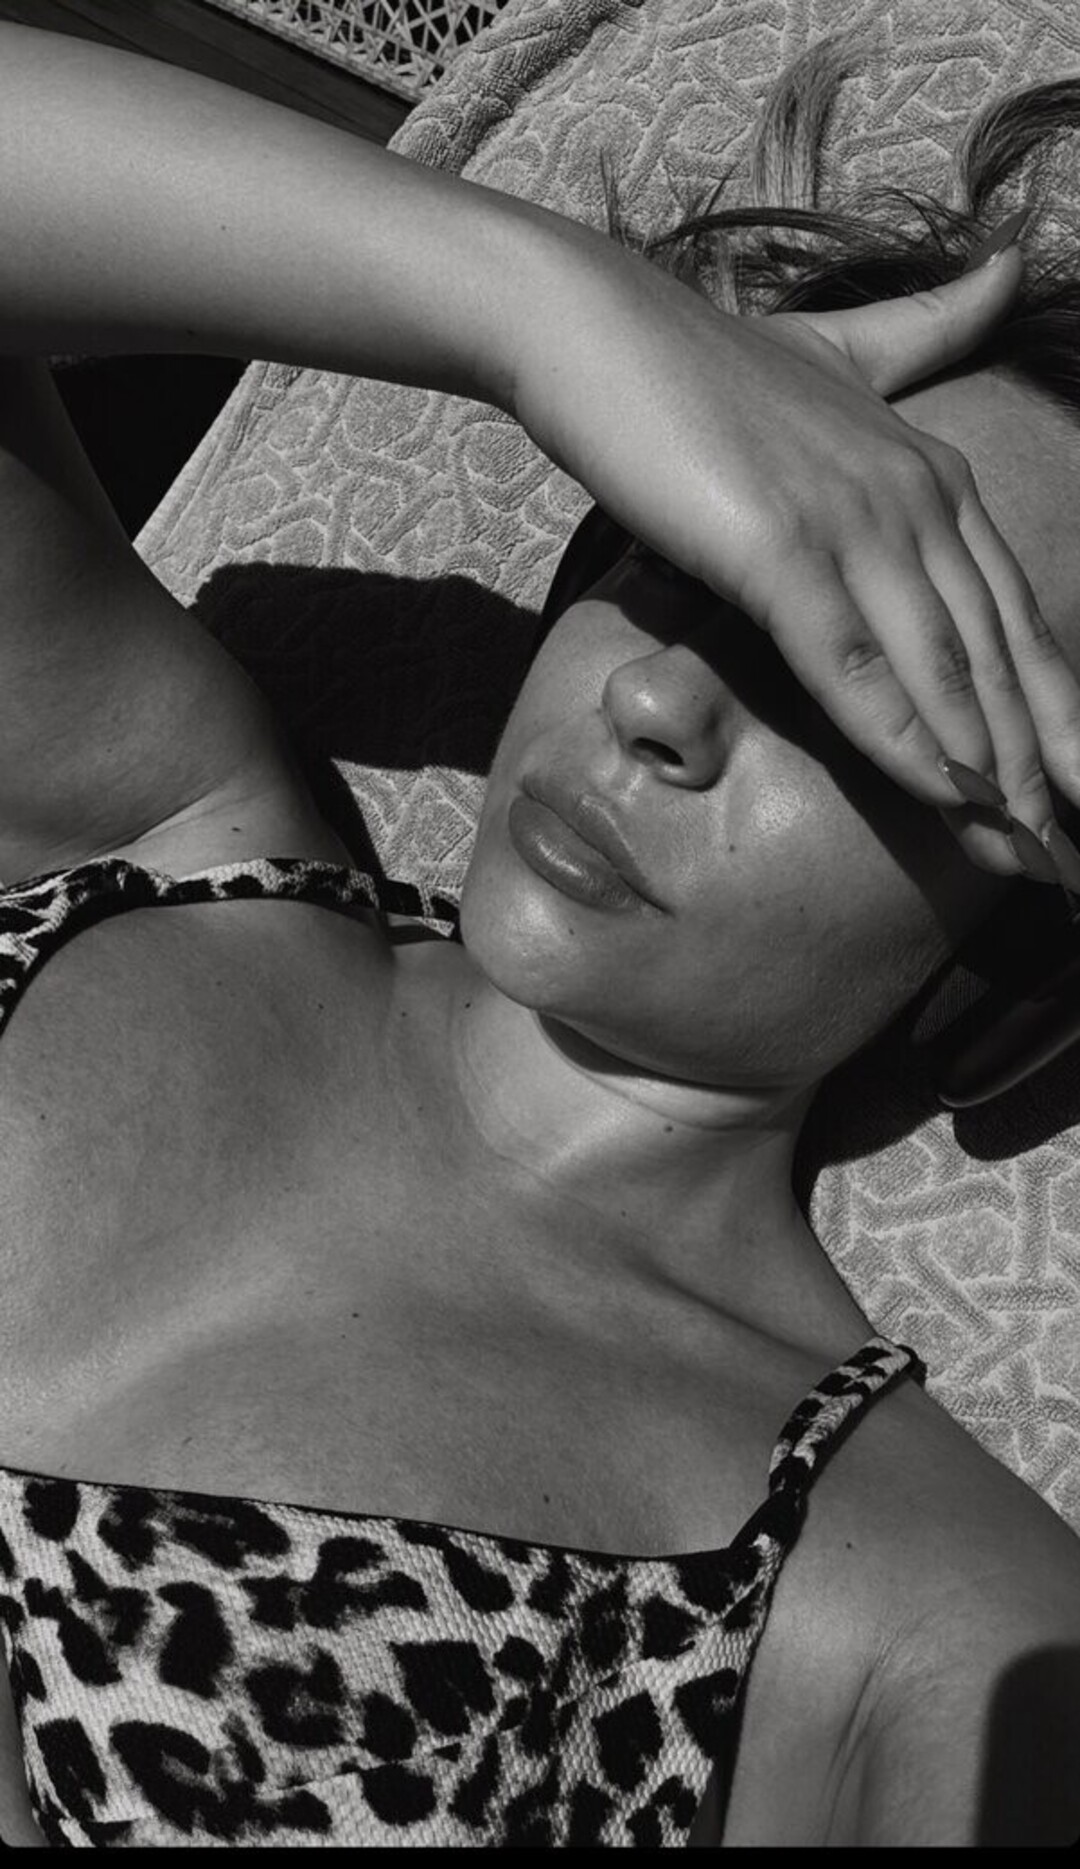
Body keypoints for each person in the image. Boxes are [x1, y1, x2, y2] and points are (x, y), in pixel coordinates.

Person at [0, 17, 1075, 1850]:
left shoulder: (920, 1631)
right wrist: (542, 311)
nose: (660, 698)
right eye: (683, 560)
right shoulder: (153, 831)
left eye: (865, 682)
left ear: (1021, 963)